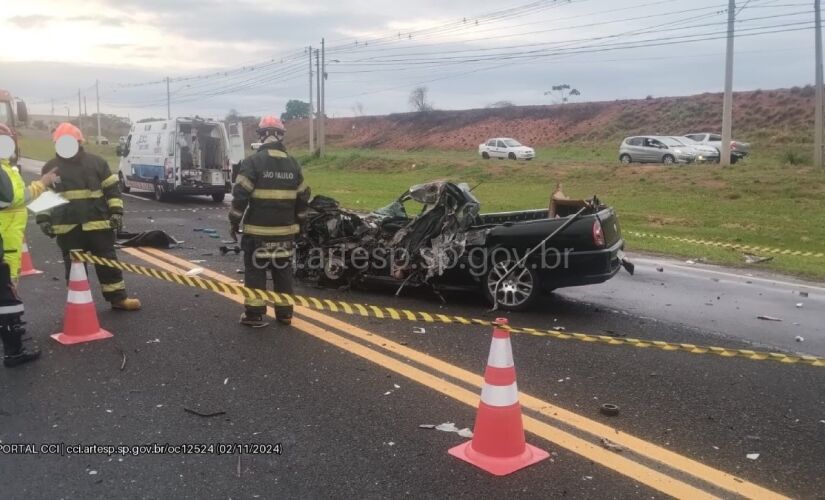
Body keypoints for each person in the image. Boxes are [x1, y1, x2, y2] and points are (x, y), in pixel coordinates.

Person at [36, 122, 141, 311]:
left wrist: (116, 212)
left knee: (108, 264)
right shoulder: (50, 168)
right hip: (68, 228)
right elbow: (44, 196)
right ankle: (78, 305)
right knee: (75, 268)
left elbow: (112, 191)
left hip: (98, 224)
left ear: (79, 142)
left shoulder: (97, 163)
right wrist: (43, 219)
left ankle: (118, 299)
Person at [229, 116, 310, 327]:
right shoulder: (293, 164)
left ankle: (254, 314)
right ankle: (285, 314)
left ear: (261, 136)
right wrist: (301, 224)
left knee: (255, 271)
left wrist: (233, 222)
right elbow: (303, 198)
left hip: (258, 232)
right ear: (281, 136)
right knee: (283, 272)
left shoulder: (252, 162)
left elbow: (240, 196)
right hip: (284, 232)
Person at [0, 124, 58, 366]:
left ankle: (13, 336)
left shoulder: (6, 167)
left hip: (8, 237)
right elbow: (14, 198)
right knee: (7, 296)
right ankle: (13, 351)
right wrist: (42, 183)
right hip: (5, 240)